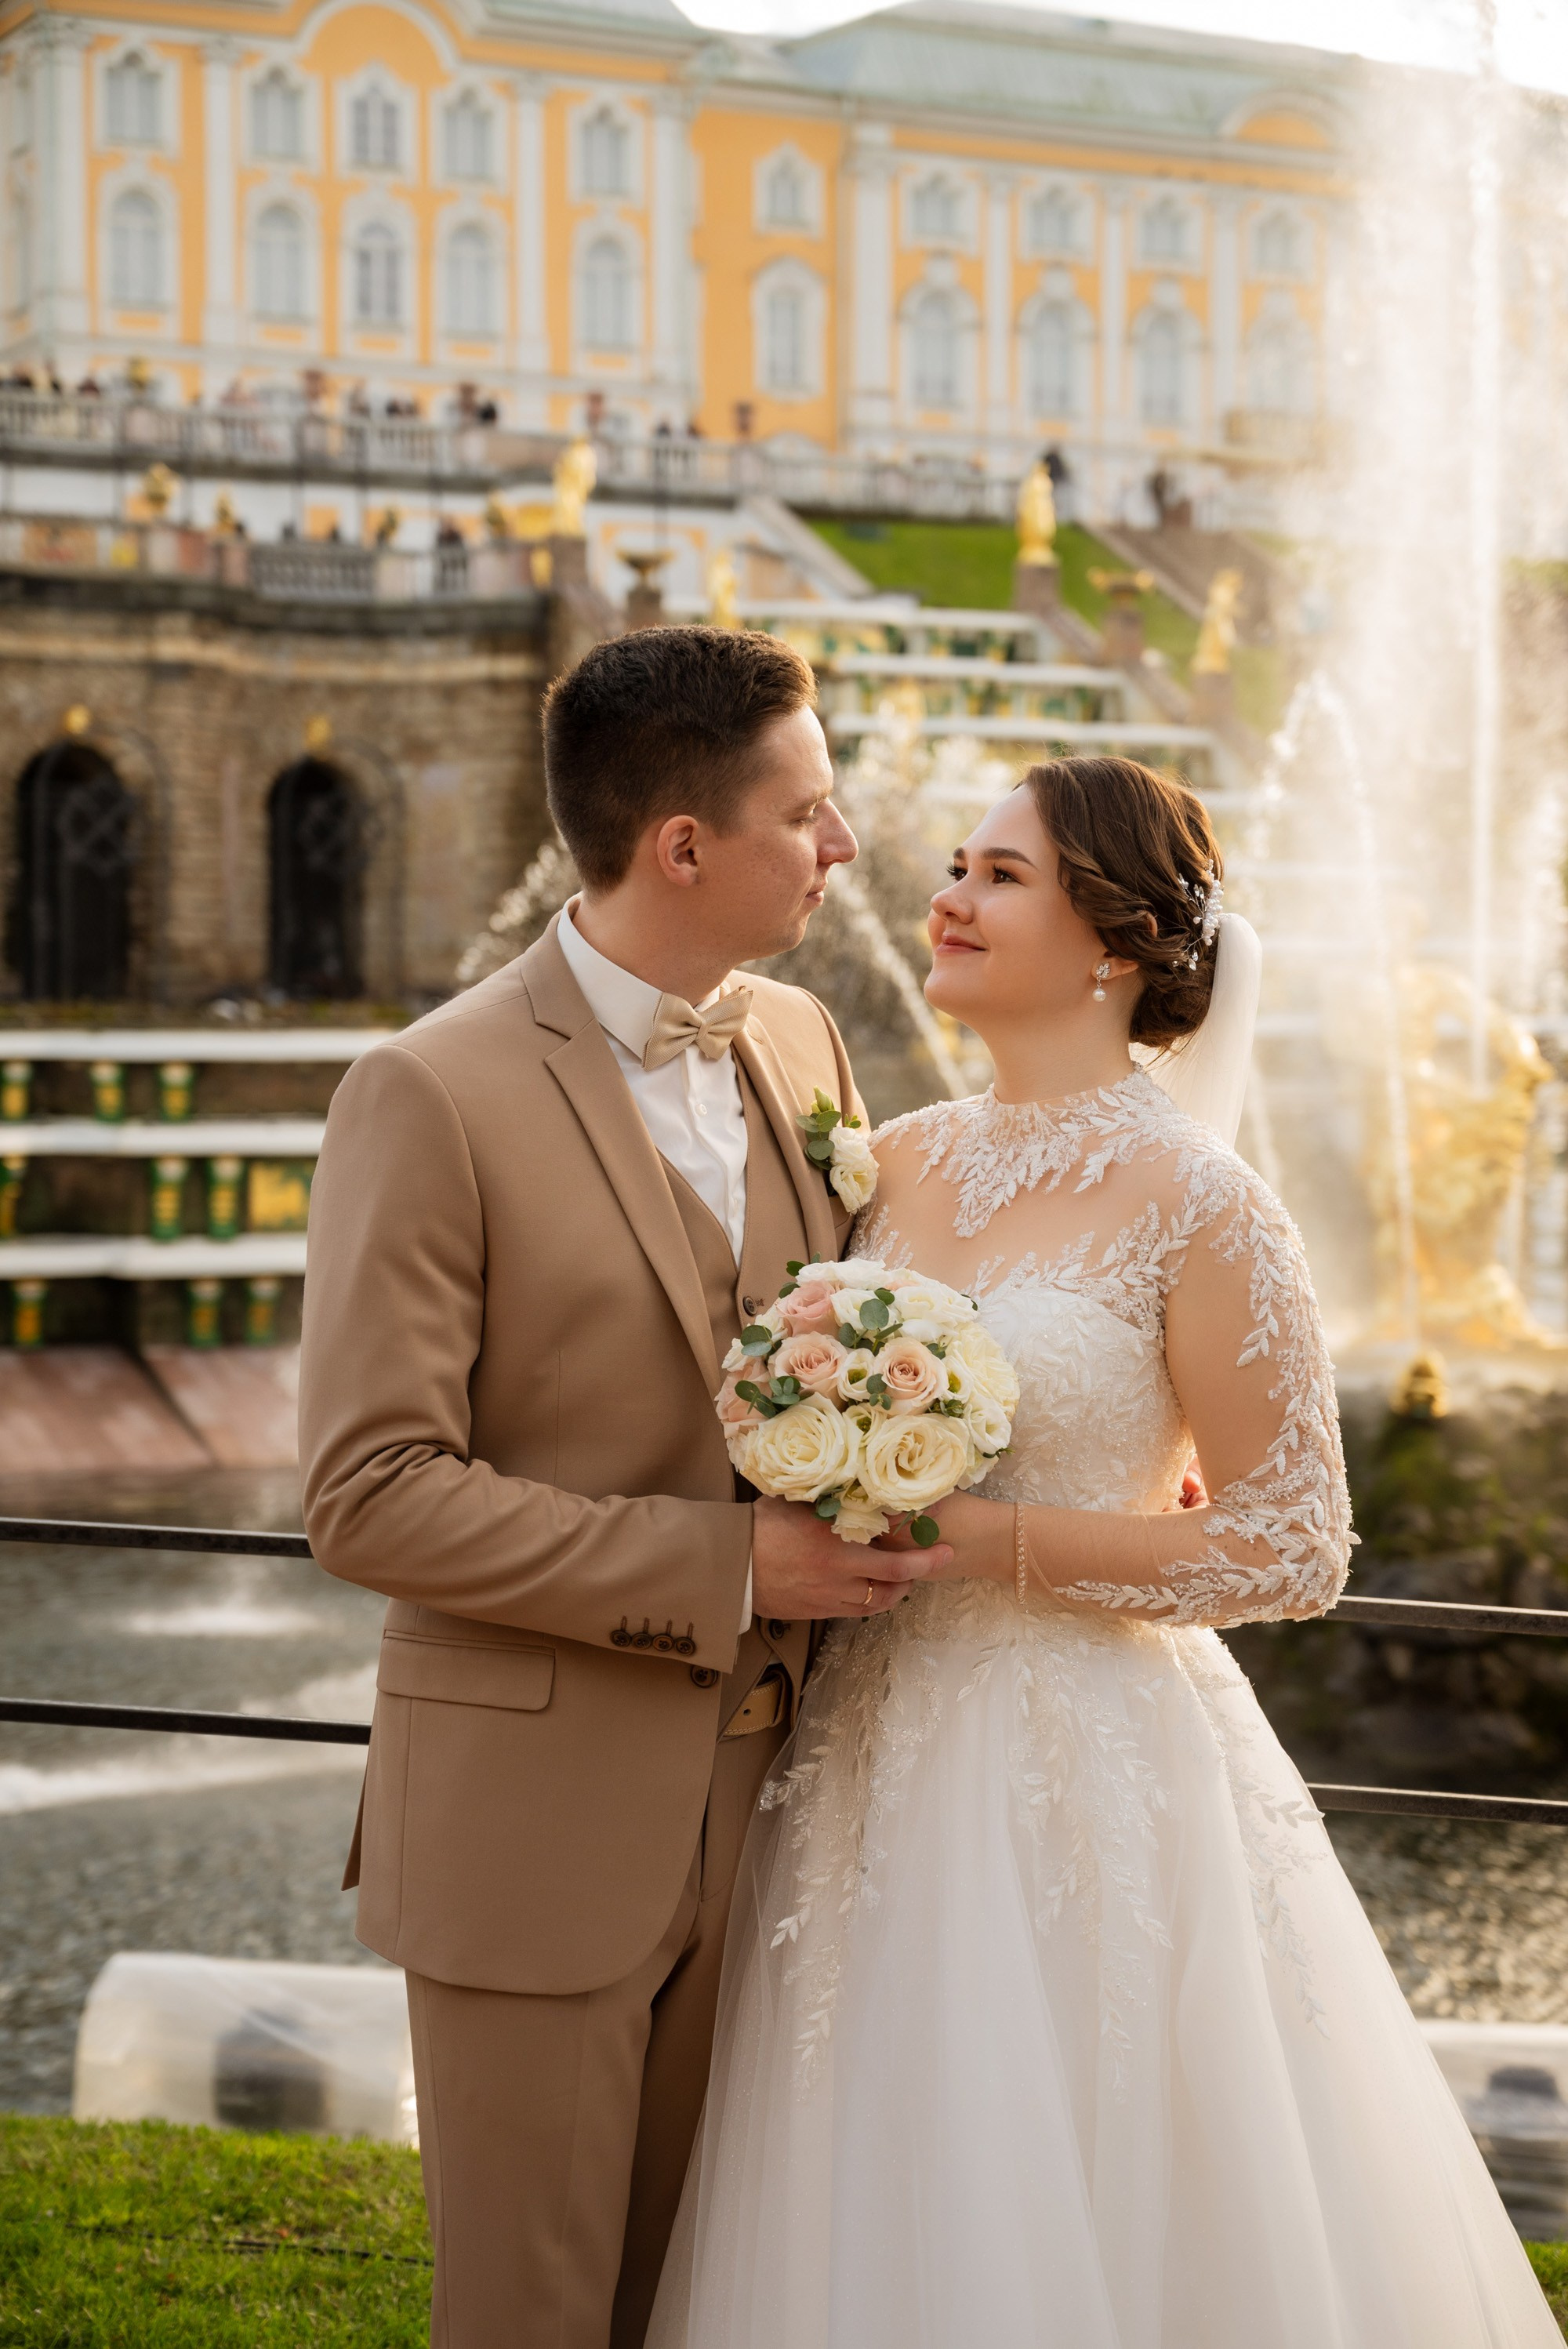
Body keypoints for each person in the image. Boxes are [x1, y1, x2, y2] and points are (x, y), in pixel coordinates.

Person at [649, 753, 1560, 2349]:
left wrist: (984, 1537)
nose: (947, 897)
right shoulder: (890, 1160)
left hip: (1089, 1767)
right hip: (858, 1752)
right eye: (956, 865)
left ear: (1117, 943)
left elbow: (1293, 1544)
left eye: (1000, 875)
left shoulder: (1206, 1204)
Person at [298, 627, 953, 2349]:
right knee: (529, 2315)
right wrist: (731, 1569)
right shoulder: (425, 1093)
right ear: (681, 845)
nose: (844, 844)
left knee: (706, 2307)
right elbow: (370, 1493)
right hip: (537, 1830)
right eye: (806, 812)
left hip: (795, 1817)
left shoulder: (800, 1038)